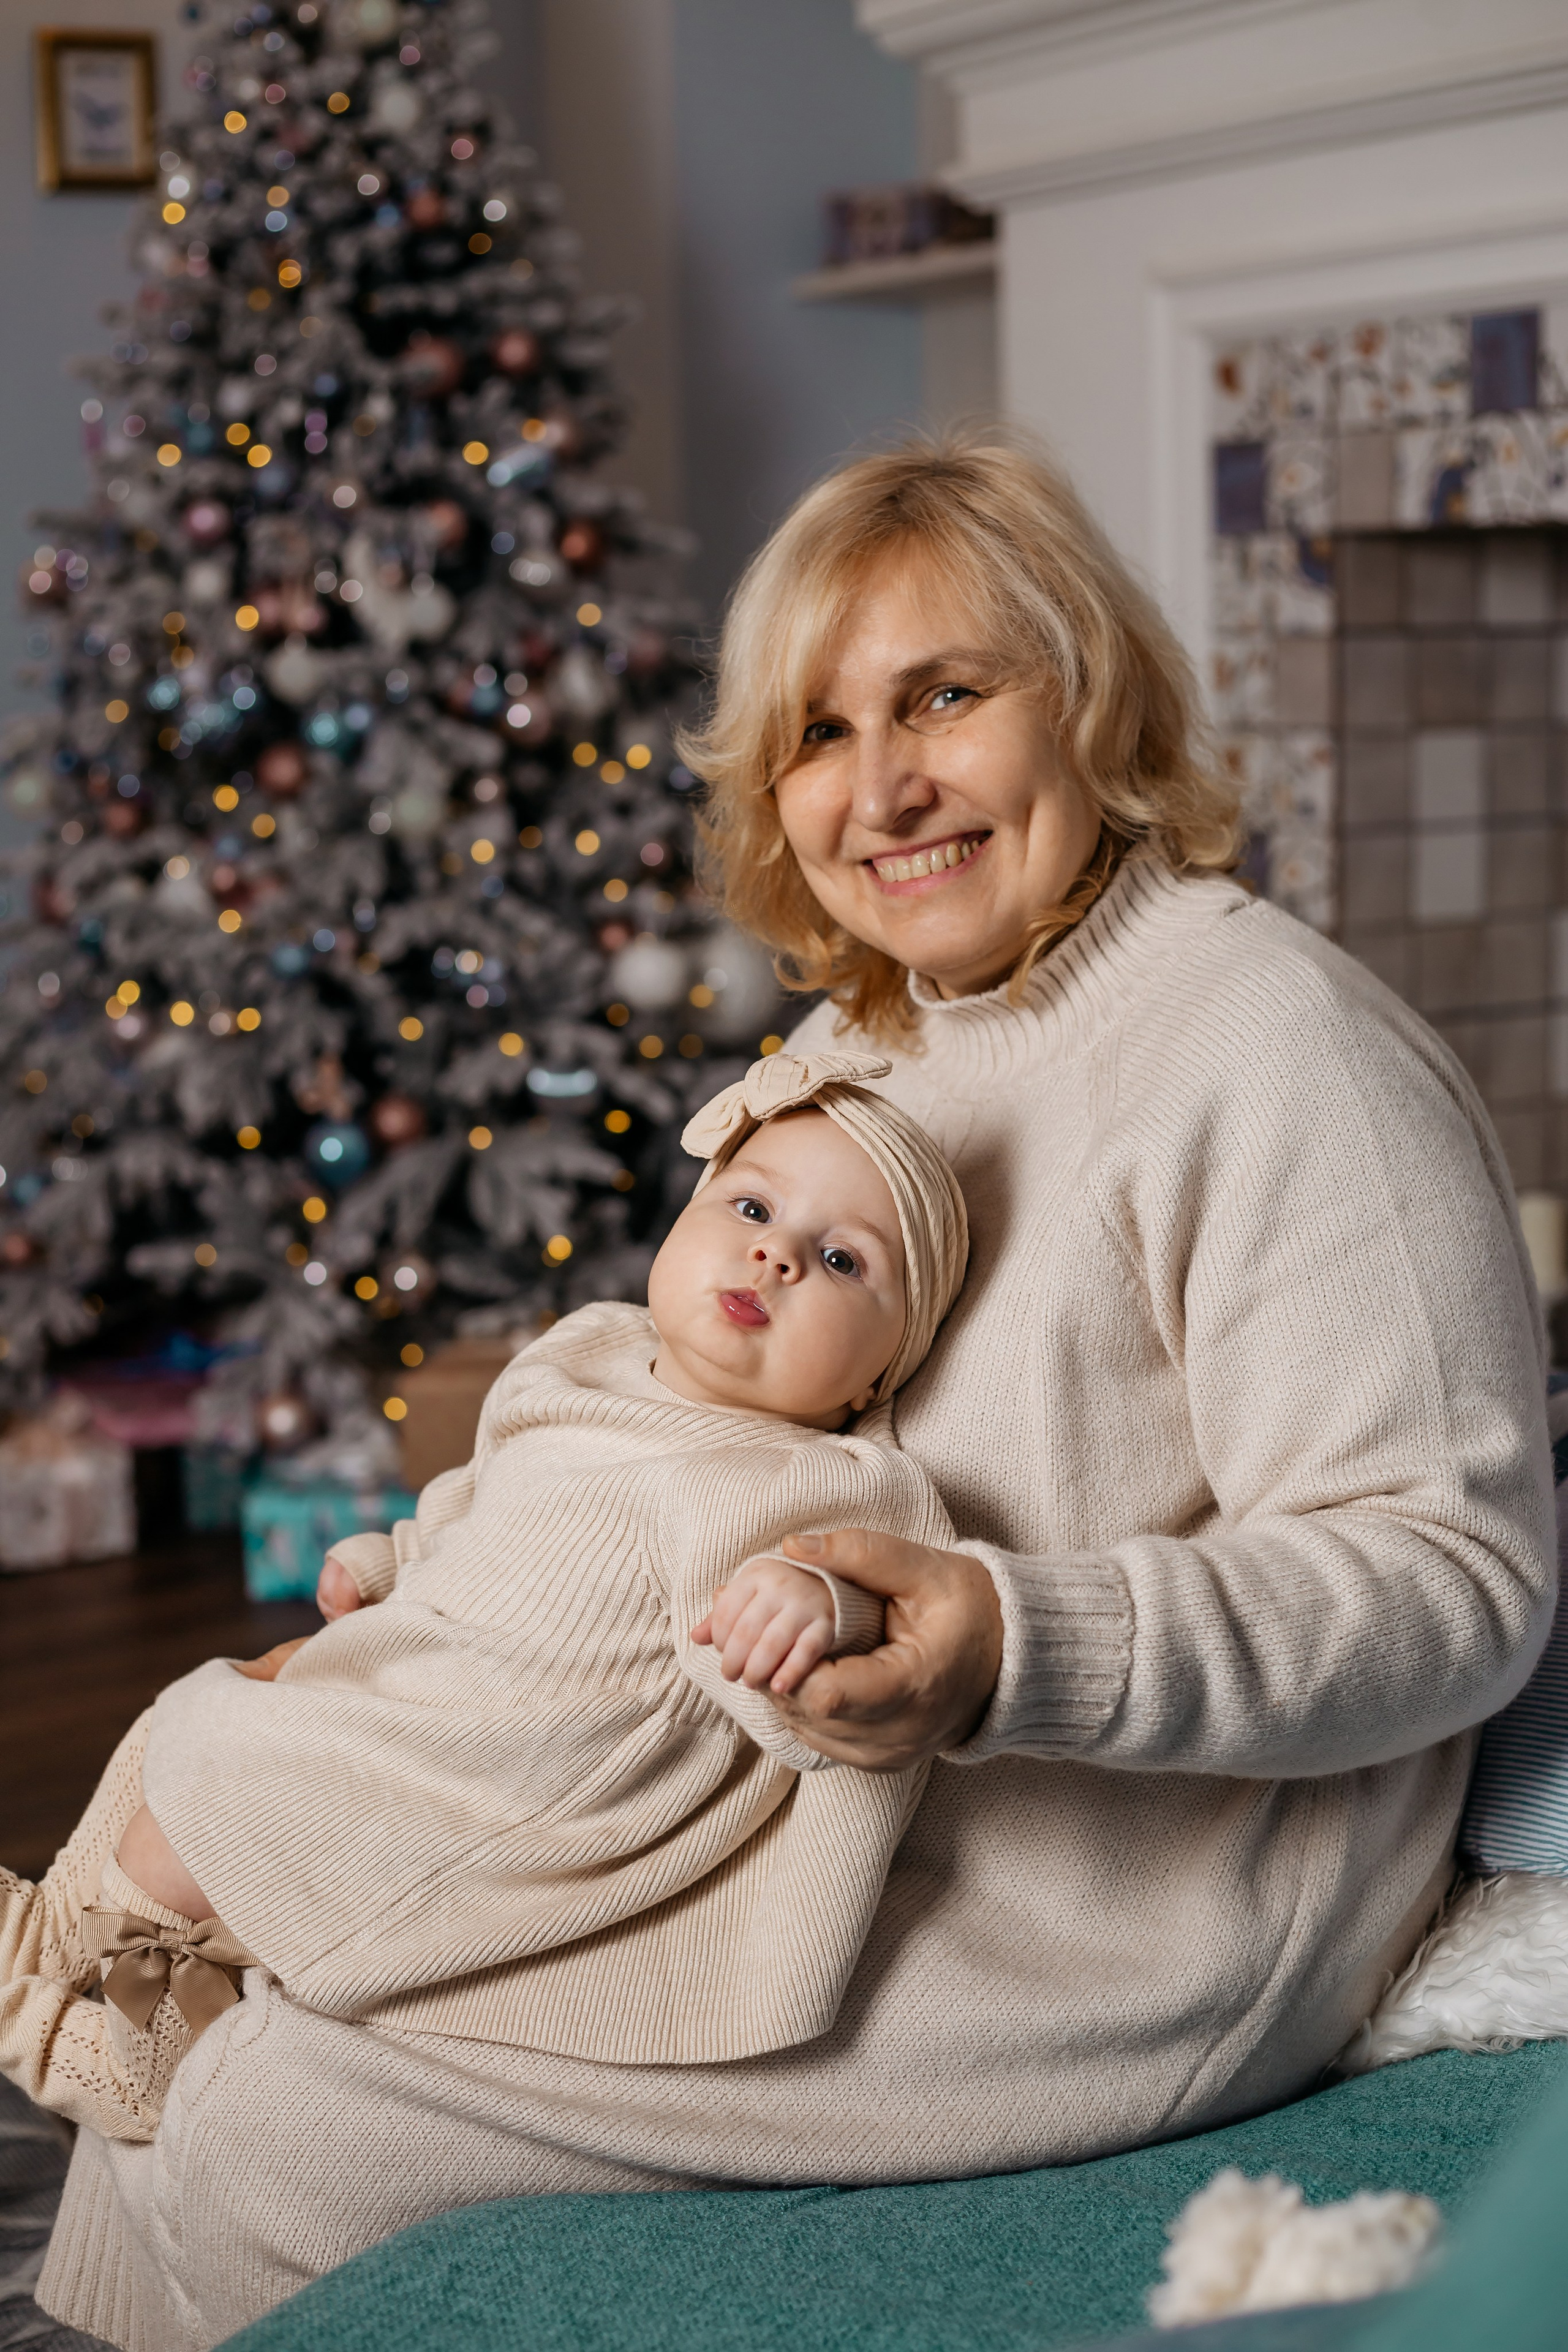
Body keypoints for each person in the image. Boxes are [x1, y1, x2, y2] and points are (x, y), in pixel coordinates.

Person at [37, 430, 1553, 2352]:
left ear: (1087, 697)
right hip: (780, 1813)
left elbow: (1451, 1580)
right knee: (208, 1961)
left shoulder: (1280, 1050)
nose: (881, 786)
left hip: (1131, 1910)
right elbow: (717, 1431)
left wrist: (1007, 1641)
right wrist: (459, 1585)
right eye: (820, 732)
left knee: (279, 2120)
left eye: (944, 697)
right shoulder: (867, 1038)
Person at [1, 1050, 965, 2131]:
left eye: (840, 1260)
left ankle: (128, 2058)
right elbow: (484, 1496)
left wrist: (818, 1606)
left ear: (882, 1371)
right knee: (197, 1705)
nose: (775, 1255)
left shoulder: (819, 1479)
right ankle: (59, 1940)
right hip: (449, 1672)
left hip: (532, 1773)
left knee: (201, 1803)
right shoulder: (588, 1354)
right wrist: (395, 1559)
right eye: (751, 1207)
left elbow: (889, 1617)